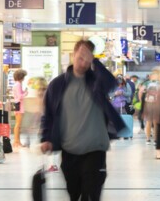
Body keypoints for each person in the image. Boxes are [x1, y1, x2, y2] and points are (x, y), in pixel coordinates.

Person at [40, 39, 126, 201]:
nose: (83, 63)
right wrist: (46, 138)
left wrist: (95, 62)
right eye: (81, 57)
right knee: (74, 193)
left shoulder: (96, 82)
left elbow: (111, 83)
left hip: (95, 149)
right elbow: (49, 115)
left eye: (88, 59)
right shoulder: (57, 85)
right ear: (73, 55)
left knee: (91, 193)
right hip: (69, 150)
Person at [12, 69, 28, 147]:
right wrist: (26, 93)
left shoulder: (16, 84)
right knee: (18, 124)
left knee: (18, 124)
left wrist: (23, 92)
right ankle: (16, 141)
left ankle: (17, 141)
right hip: (19, 106)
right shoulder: (18, 84)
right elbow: (20, 96)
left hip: (17, 105)